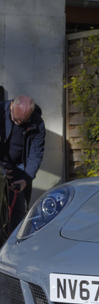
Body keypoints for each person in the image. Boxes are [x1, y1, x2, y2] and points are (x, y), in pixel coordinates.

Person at [0, 94, 46, 233]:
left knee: (18, 208)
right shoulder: (1, 111)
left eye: (22, 120)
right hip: (1, 163)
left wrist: (26, 178)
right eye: (15, 118)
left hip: (20, 167)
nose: (18, 122)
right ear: (12, 106)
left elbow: (36, 154)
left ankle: (15, 241)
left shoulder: (37, 123)